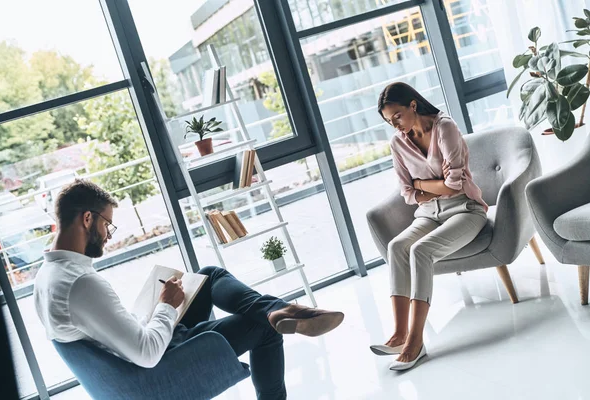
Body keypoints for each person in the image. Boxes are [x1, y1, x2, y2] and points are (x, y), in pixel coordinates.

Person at [34, 179, 344, 400]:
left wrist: (155, 311)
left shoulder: (48, 277)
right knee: (261, 328)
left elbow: (107, 337)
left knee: (208, 276)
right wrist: (166, 307)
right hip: (154, 379)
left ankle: (276, 309)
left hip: (130, 373)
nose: (108, 236)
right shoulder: (81, 283)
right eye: (107, 225)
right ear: (87, 218)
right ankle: (274, 312)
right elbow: (146, 354)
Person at [370, 83, 488, 371]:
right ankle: (399, 334)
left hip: (466, 209)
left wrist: (422, 184)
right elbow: (407, 193)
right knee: (397, 246)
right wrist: (430, 187)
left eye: (397, 116)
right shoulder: (397, 143)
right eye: (388, 121)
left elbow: (456, 185)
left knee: (421, 251)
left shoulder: (444, 128)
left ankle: (415, 341)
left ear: (412, 105)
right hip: (427, 214)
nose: (395, 125)